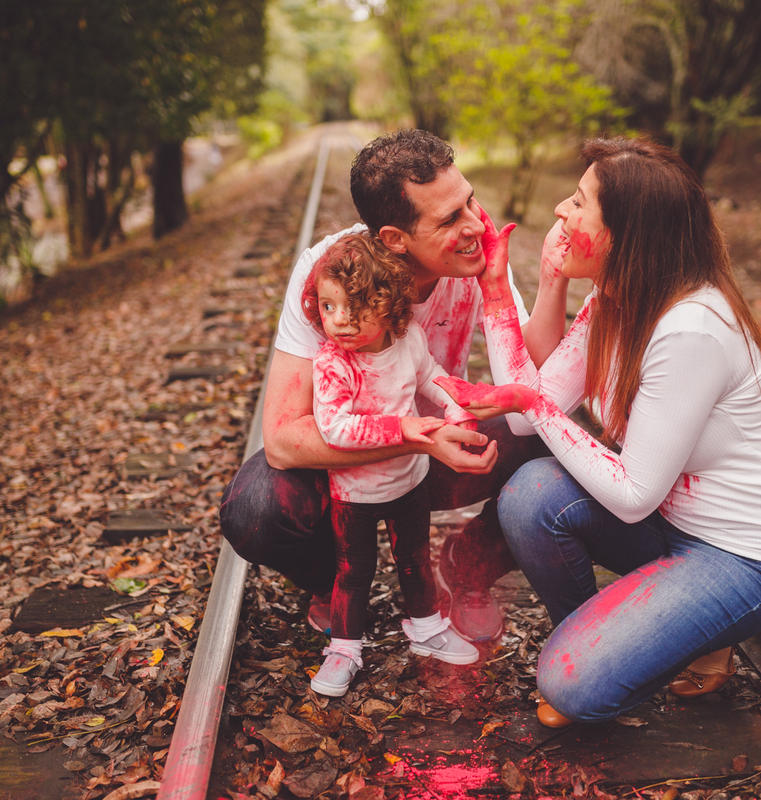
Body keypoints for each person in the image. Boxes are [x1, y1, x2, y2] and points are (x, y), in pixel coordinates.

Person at [436, 137, 761, 726]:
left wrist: (534, 403)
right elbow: (524, 415)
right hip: (667, 525)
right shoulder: (616, 300)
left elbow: (631, 493)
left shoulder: (691, 331)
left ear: (625, 237)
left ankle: (636, 649)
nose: (560, 210)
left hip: (736, 556)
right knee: (531, 494)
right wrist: (497, 287)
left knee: (569, 685)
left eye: (579, 203)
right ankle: (604, 638)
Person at [219, 130, 569, 643]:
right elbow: (283, 440)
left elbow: (533, 388)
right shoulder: (329, 275)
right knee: (254, 511)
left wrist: (535, 280)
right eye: (449, 220)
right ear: (394, 239)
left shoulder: (472, 258)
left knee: (555, 438)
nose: (475, 225)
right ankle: (334, 579)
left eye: (470, 200)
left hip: (433, 460)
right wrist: (417, 437)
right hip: (346, 463)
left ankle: (467, 568)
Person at [303, 234, 480, 696]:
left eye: (354, 308)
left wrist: (455, 406)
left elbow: (431, 376)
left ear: (387, 306)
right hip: (354, 494)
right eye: (328, 307)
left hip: (409, 483)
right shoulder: (333, 364)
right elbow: (335, 429)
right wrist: (402, 428)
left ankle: (427, 628)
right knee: (353, 571)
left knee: (415, 558)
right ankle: (344, 648)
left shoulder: (408, 340)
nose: (338, 321)